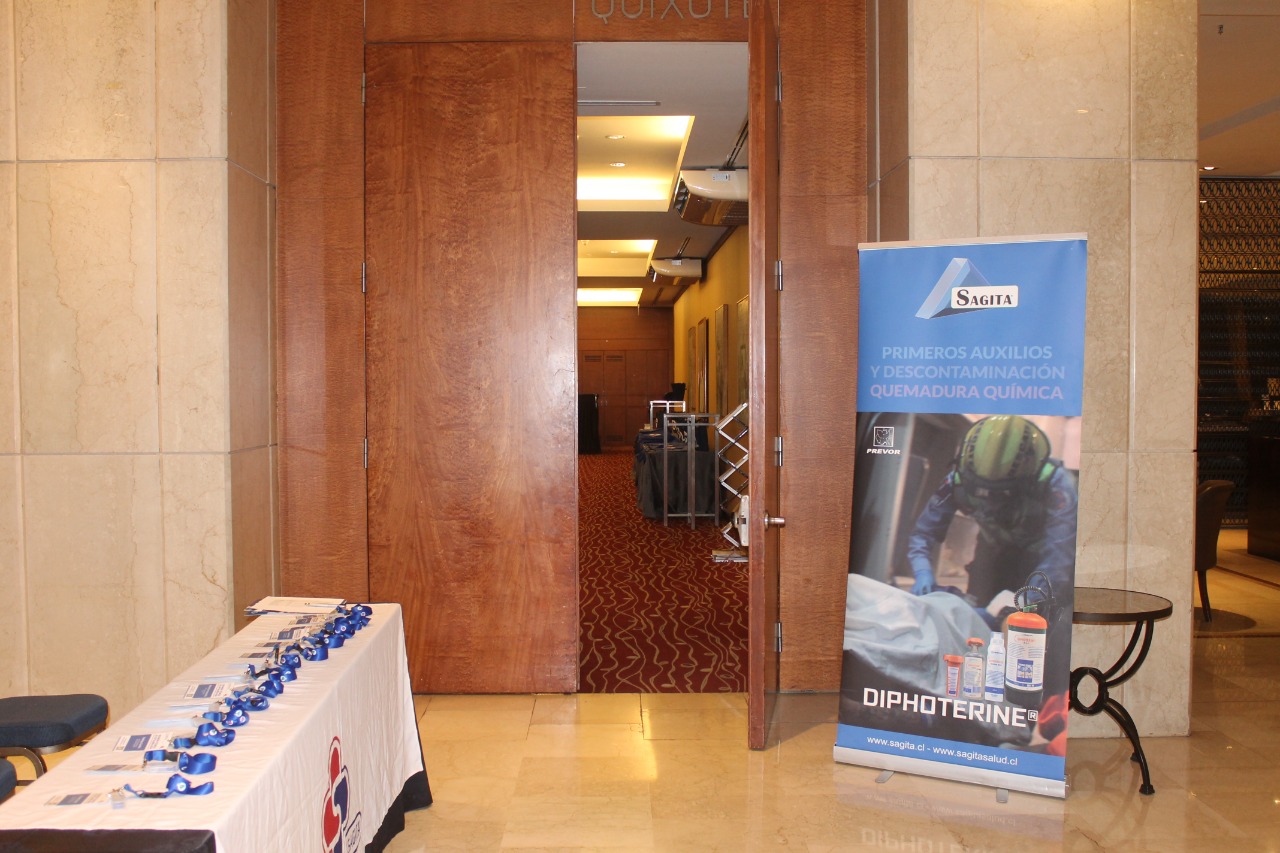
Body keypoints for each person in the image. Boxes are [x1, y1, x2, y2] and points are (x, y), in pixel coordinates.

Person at [907, 415, 1077, 615]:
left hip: (1041, 554)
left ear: (1027, 478)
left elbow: (1058, 558)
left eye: (1001, 493)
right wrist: (923, 572)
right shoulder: (957, 480)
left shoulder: (1057, 486)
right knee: (976, 609)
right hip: (993, 547)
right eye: (980, 489)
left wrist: (1029, 604)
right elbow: (923, 534)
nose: (990, 500)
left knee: (1043, 617)